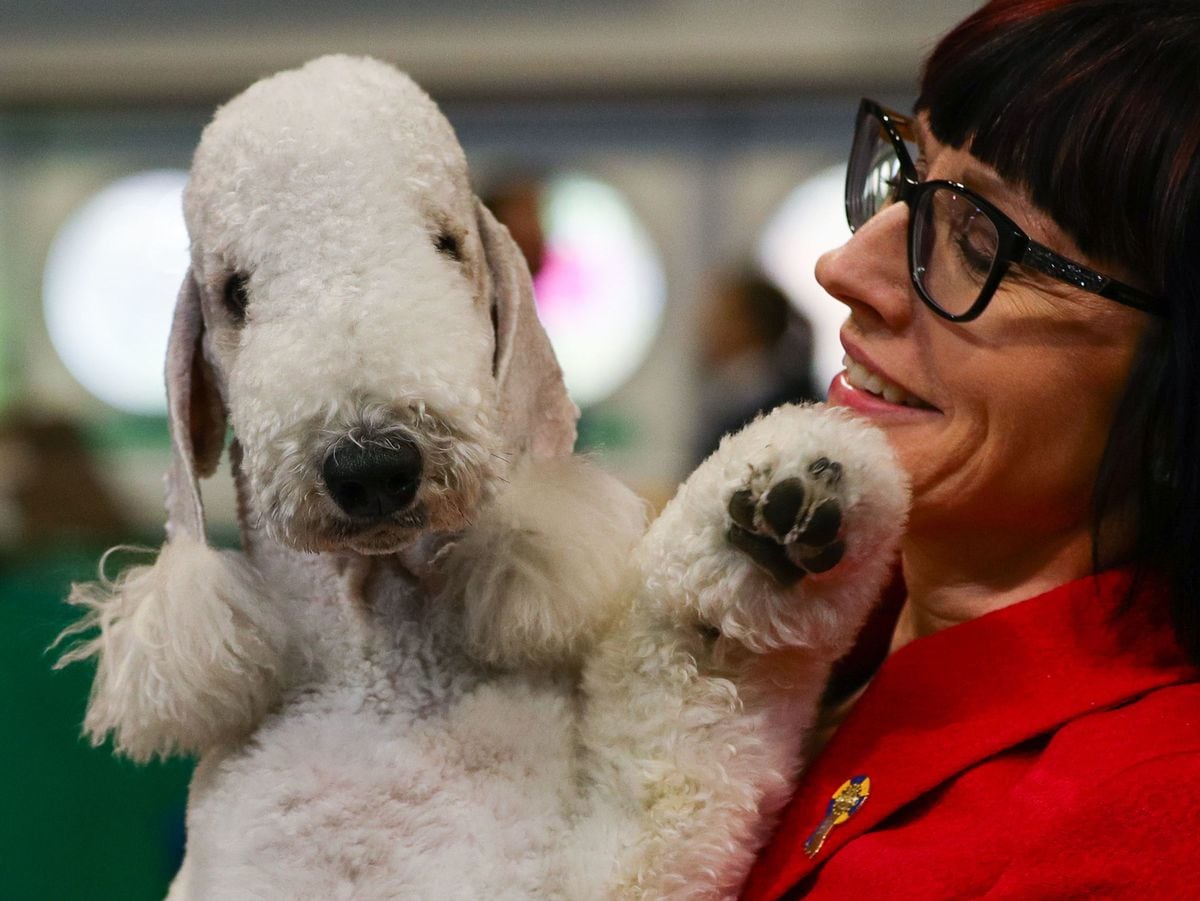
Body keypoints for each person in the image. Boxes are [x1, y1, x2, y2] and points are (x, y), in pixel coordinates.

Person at [740, 1, 1200, 897]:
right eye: (908, 179)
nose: (847, 271)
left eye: (985, 242)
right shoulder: (798, 630)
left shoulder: (1149, 813)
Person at [692, 268, 820, 464]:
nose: (705, 327)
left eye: (719, 316)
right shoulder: (736, 391)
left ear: (746, 325)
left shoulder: (777, 405)